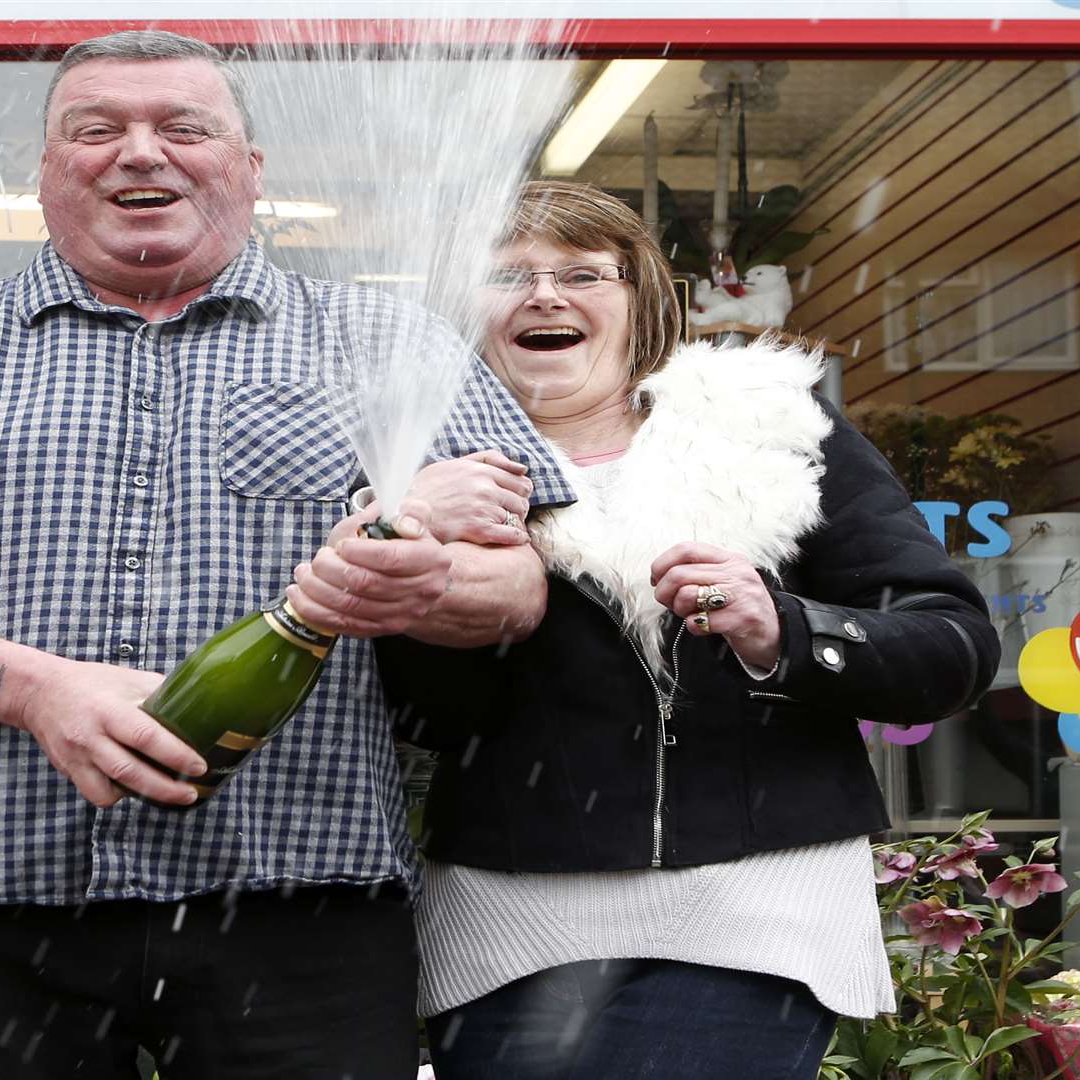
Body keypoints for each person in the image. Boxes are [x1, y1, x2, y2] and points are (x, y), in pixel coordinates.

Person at [0, 30, 573, 1080]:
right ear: (44, 173)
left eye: (184, 127)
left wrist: (434, 583)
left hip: (297, 903)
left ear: (250, 167)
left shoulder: (387, 342)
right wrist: (33, 689)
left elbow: (520, 585)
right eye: (95, 131)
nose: (140, 154)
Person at [377, 181, 1001, 1079]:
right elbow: (415, 711)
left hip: (754, 908)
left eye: (583, 272)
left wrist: (783, 629)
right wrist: (418, 545)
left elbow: (951, 646)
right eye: (506, 274)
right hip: (507, 918)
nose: (544, 295)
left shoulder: (772, 430)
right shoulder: (414, 473)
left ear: (640, 301)